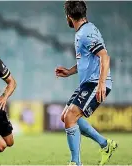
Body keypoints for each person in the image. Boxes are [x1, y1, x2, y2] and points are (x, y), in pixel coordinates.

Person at [55, 1, 118, 165]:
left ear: (68, 16)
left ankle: (75, 163)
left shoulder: (85, 33)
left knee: (70, 116)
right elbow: (88, 60)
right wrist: (69, 71)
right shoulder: (84, 31)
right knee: (65, 116)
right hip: (87, 83)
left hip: (95, 82)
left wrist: (101, 83)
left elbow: (104, 57)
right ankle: (105, 145)